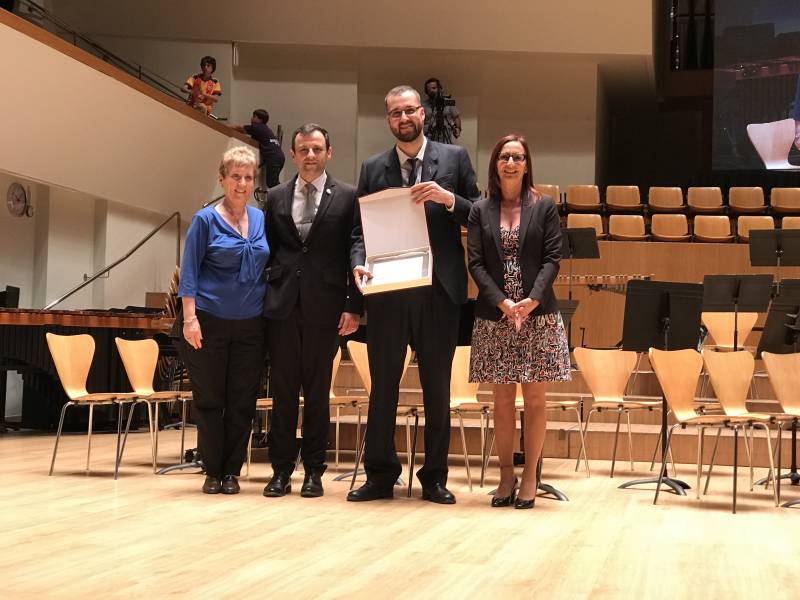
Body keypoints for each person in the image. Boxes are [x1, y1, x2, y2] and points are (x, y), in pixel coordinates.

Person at [349, 85, 480, 504]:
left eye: (409, 111)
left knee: (437, 387)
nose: (403, 119)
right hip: (387, 291)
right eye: (394, 113)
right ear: (387, 119)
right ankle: (381, 476)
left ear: (422, 114)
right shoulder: (372, 168)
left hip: (439, 291)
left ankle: (435, 478)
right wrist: (357, 261)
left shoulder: (454, 158)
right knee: (383, 386)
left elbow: (479, 212)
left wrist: (449, 199)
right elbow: (359, 231)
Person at [467, 133, 570, 509]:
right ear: (495, 164)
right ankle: (506, 475)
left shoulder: (543, 206)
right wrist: (502, 303)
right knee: (503, 399)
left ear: (527, 164)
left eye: (518, 157)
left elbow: (552, 258)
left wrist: (531, 300)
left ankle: (530, 477)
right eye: (504, 157)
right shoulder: (480, 209)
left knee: (537, 399)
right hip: (496, 316)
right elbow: (475, 263)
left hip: (537, 315)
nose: (511, 163)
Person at [262, 123, 363, 499]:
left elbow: (357, 250)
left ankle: (314, 471)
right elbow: (267, 251)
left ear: (329, 153)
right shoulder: (274, 197)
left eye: (317, 149)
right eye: (303, 149)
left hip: (327, 307)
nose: (310, 156)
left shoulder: (349, 196)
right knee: (284, 393)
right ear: (292, 154)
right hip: (283, 306)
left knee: (318, 393)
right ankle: (281, 470)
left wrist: (354, 306)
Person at [179, 146, 269, 495]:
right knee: (210, 399)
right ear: (222, 179)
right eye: (235, 177)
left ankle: (232, 470)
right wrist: (190, 319)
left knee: (243, 401)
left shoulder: (260, 219)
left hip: (251, 324)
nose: (242, 183)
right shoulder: (205, 219)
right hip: (209, 321)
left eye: (248, 177)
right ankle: (212, 470)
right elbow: (189, 271)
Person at [233, 109, 285, 188]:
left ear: (260, 119)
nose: (251, 119)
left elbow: (239, 128)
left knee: (272, 183)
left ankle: (287, 196)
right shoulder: (266, 129)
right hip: (279, 157)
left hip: (273, 158)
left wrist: (222, 126)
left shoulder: (257, 128)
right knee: (273, 182)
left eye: (254, 117)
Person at [421, 77, 461, 144]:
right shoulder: (423, 105)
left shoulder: (448, 102)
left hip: (445, 137)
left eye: (434, 88)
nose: (432, 91)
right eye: (429, 90)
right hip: (429, 138)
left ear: (439, 88)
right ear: (426, 92)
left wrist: (458, 128)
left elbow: (456, 117)